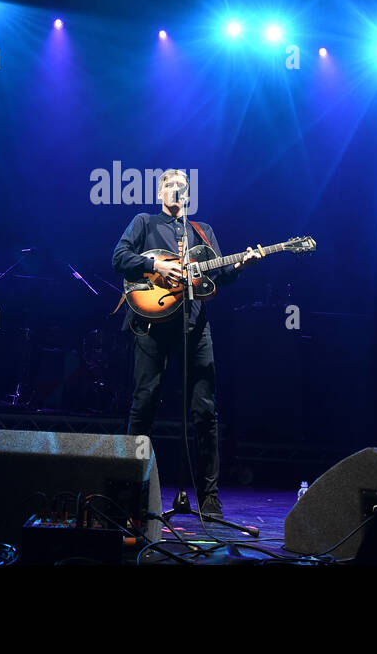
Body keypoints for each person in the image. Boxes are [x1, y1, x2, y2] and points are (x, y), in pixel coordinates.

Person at [111, 169, 260, 515]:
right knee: (144, 403)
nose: (175, 190)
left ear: (188, 195)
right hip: (151, 324)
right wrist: (156, 266)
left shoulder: (202, 232)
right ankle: (130, 488)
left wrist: (240, 265)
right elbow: (119, 258)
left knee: (205, 410)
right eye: (169, 186)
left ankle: (209, 496)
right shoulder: (143, 222)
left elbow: (220, 274)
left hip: (194, 326)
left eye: (181, 187)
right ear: (160, 192)